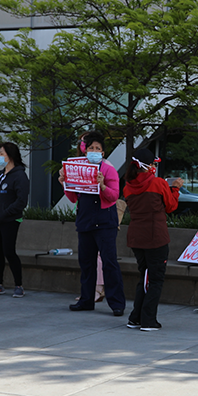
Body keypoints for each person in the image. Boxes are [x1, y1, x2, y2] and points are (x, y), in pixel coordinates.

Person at [57, 131, 126, 316]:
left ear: (103, 153)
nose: (94, 151)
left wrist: (103, 185)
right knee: (86, 263)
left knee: (109, 262)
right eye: (91, 148)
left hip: (105, 221)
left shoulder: (108, 169)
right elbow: (73, 198)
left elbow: (113, 196)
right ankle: (86, 300)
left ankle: (117, 303)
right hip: (86, 220)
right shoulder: (77, 168)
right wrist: (64, 182)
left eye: (98, 149)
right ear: (85, 151)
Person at [121, 148, 181, 331]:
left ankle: (135, 318)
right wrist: (176, 188)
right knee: (155, 280)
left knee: (144, 277)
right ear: (147, 166)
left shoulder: (127, 186)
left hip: (136, 237)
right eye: (154, 163)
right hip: (156, 237)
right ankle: (148, 320)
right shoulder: (158, 183)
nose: (155, 166)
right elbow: (171, 206)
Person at [0, 141, 30, 298]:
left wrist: (5, 213)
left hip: (10, 221)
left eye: (2, 154)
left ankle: (19, 285)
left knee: (9, 251)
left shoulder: (20, 176)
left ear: (10, 156)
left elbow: (21, 201)